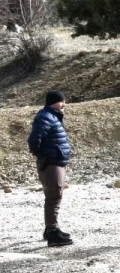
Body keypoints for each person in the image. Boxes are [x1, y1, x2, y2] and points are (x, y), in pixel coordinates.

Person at [27, 90, 73, 246]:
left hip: (54, 161)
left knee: (55, 195)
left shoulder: (51, 116)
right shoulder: (46, 116)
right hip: (51, 162)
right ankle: (52, 233)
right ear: (54, 102)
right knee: (54, 196)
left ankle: (51, 230)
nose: (64, 104)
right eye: (62, 101)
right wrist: (41, 154)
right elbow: (34, 138)